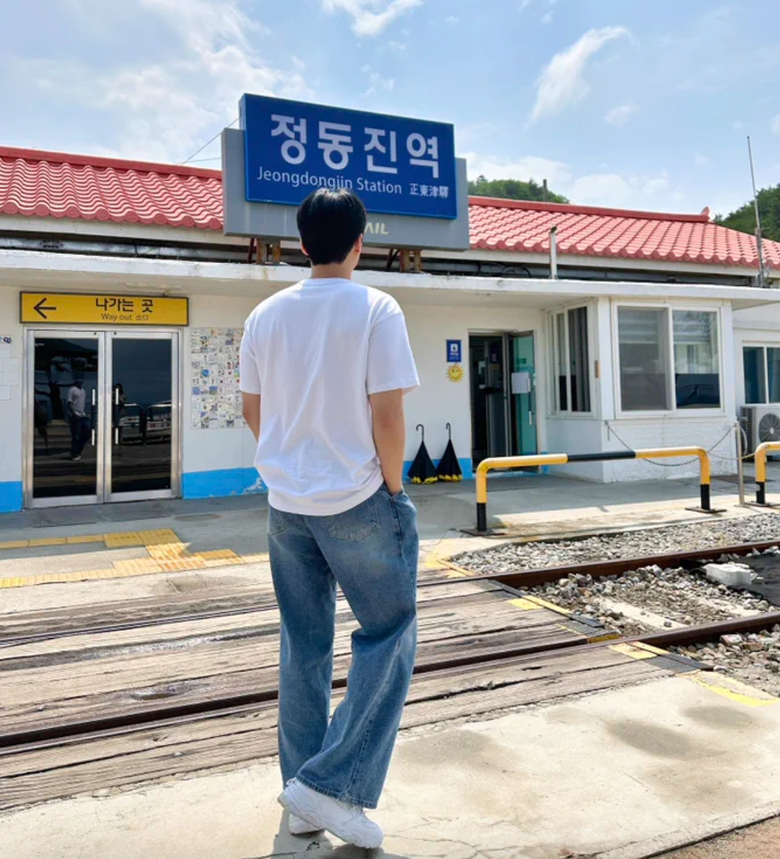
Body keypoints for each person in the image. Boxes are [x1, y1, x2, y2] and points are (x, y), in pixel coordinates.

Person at [240, 188, 419, 849]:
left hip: (286, 505)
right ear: (359, 242)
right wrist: (394, 488)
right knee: (391, 632)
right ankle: (333, 785)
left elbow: (253, 409)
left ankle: (302, 799)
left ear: (300, 241)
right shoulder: (376, 307)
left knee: (303, 648)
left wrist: (287, 465)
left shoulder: (265, 314)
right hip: (359, 499)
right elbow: (389, 413)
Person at [67, 379, 88, 461]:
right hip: (76, 415)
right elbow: (69, 403)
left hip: (83, 414)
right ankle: (74, 453)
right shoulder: (72, 390)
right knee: (76, 435)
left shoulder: (83, 391)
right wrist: (73, 413)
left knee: (87, 433)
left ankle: (78, 450)